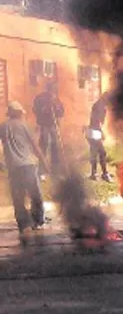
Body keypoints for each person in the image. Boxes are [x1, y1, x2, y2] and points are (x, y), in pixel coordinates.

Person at [0, 101, 49, 243]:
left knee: (18, 196)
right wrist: (45, 163)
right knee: (35, 194)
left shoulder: (3, 126)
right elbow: (35, 146)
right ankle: (38, 221)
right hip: (28, 165)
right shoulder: (24, 125)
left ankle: (23, 225)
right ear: (18, 112)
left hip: (13, 167)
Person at [32, 80, 64, 172]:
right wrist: (46, 107)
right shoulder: (40, 98)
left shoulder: (56, 99)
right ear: (48, 88)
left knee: (55, 145)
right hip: (44, 125)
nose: (54, 90)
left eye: (55, 88)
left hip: (53, 125)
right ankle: (41, 168)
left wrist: (57, 108)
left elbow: (61, 112)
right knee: (44, 144)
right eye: (53, 88)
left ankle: (55, 167)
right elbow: (35, 110)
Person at [87, 94, 111, 181]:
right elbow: (96, 121)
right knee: (102, 152)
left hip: (92, 130)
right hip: (94, 131)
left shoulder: (99, 105)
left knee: (94, 152)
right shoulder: (100, 106)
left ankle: (94, 174)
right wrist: (101, 132)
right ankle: (104, 174)